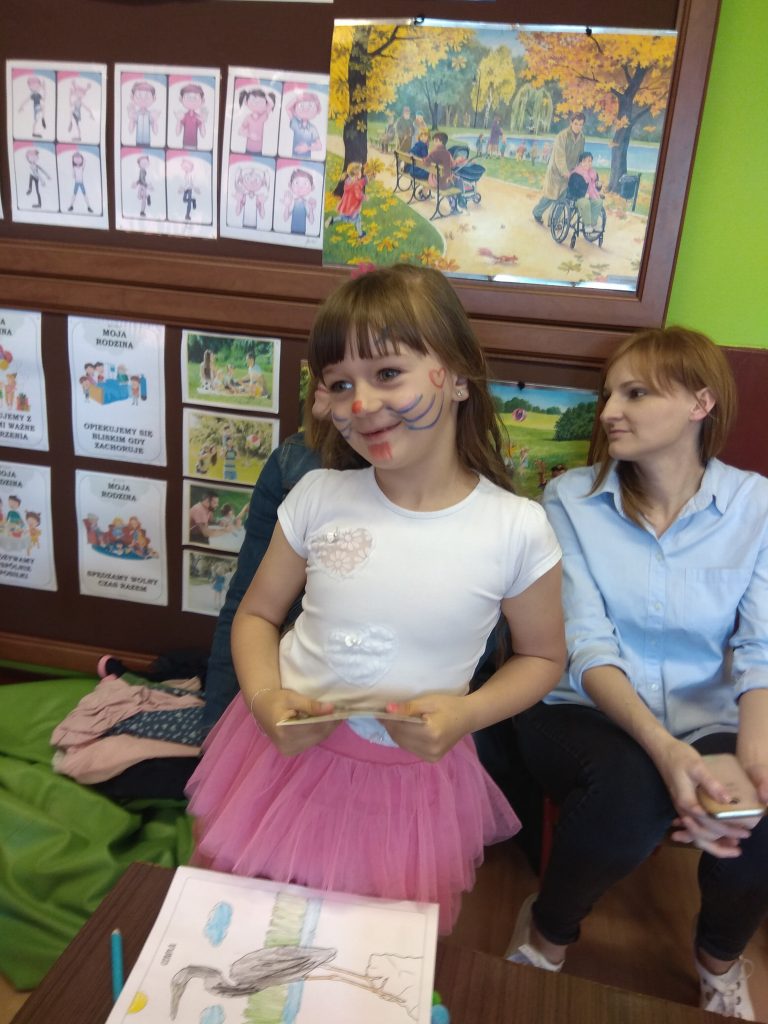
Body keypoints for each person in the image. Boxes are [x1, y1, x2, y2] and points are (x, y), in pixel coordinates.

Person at [187, 264, 566, 932]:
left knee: (364, 942)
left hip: (406, 787)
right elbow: (256, 614)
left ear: (457, 376)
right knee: (244, 925)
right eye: (340, 384)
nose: (360, 404)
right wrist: (266, 698)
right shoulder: (317, 497)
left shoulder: (517, 529)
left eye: (388, 373)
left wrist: (468, 713)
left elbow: (542, 657)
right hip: (279, 759)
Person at [509, 327, 768, 1020]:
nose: (608, 412)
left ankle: (718, 963)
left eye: (635, 393)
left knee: (761, 814)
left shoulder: (756, 505)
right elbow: (587, 645)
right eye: (608, 395)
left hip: (707, 711)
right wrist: (665, 750)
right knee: (631, 798)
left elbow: (761, 645)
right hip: (582, 707)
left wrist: (755, 760)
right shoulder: (569, 500)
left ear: (700, 404)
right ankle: (545, 937)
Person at [532, 112, 585, 225]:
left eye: (581, 124)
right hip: (556, 171)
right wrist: (565, 171)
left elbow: (580, 157)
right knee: (550, 196)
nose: (578, 127)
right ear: (571, 123)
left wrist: (579, 171)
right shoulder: (562, 136)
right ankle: (537, 212)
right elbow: (559, 156)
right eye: (576, 124)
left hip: (570, 173)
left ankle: (554, 221)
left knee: (563, 198)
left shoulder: (582, 138)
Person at [570, 152, 604, 236]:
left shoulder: (593, 173)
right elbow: (573, 189)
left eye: (590, 161)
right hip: (576, 198)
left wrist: (598, 185)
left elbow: (596, 188)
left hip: (590, 197)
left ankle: (593, 224)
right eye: (585, 161)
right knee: (585, 202)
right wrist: (583, 194)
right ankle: (587, 225)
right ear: (580, 162)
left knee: (599, 201)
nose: (588, 163)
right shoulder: (576, 173)